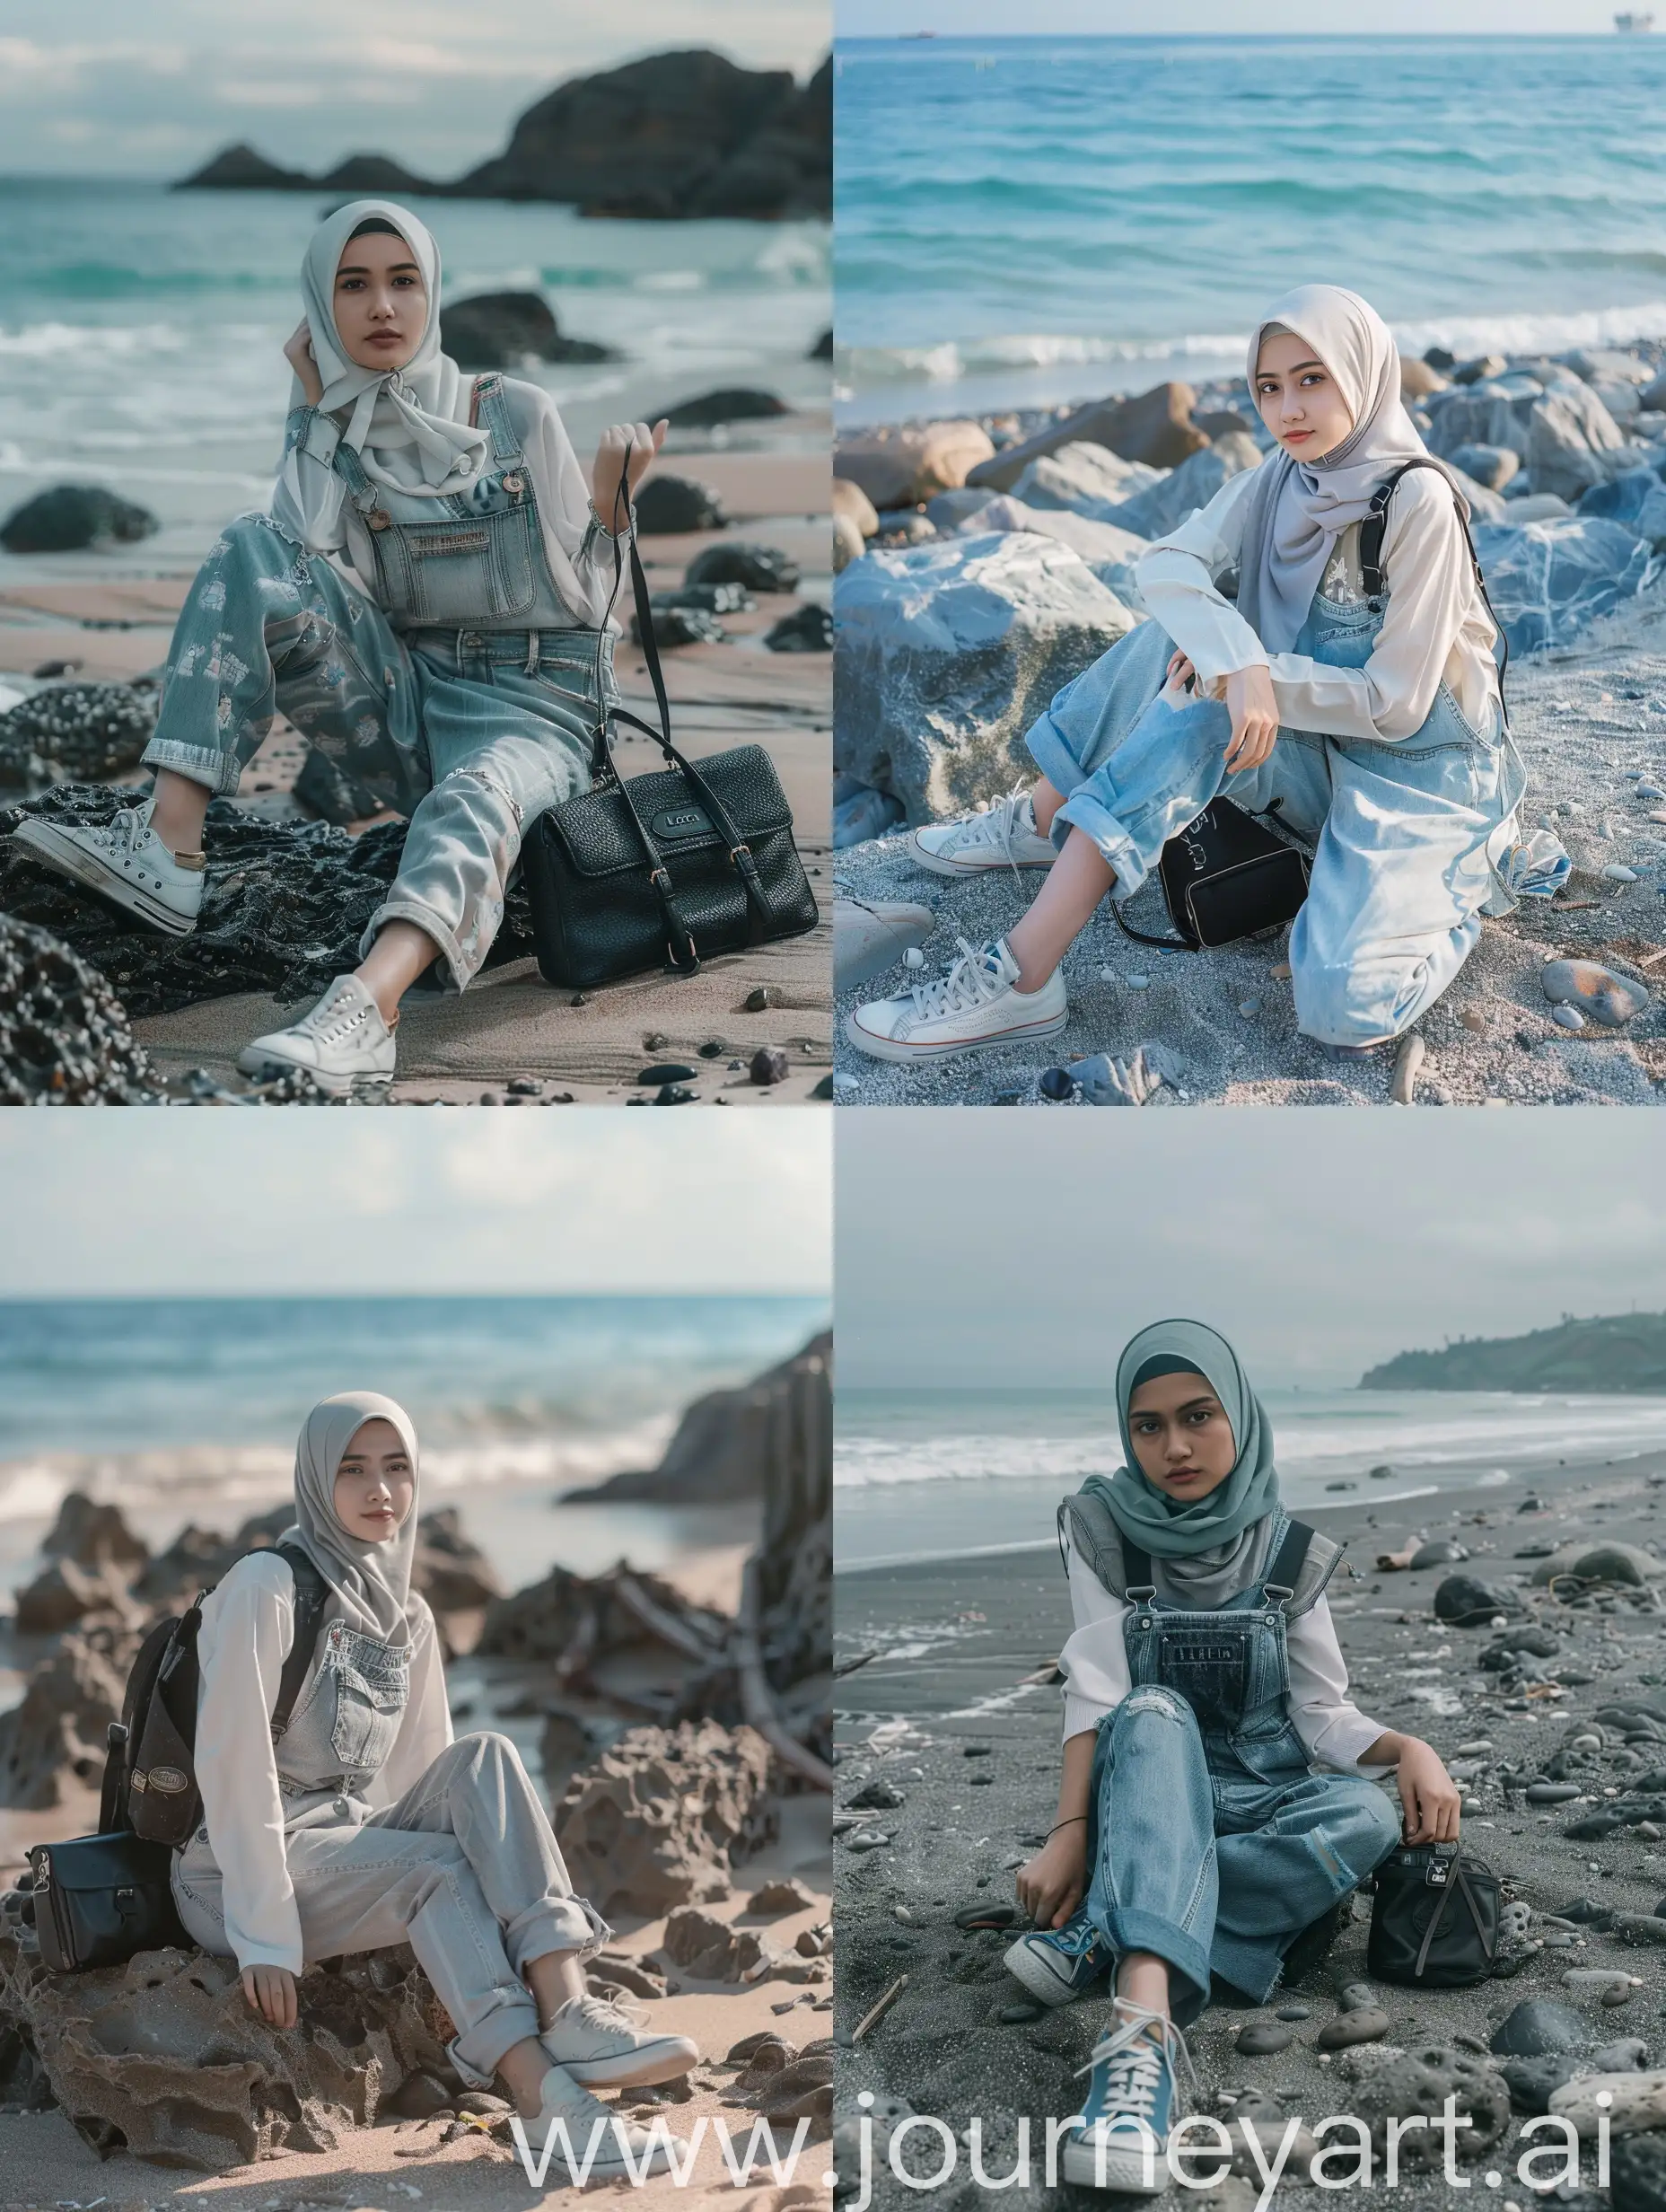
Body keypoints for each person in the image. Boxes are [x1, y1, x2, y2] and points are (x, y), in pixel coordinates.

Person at [12, 199, 667, 1093]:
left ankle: (368, 1007)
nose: (382, 308)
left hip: (536, 716)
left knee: (473, 793)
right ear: (323, 307)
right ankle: (169, 850)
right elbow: (293, 567)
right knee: (248, 540)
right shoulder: (339, 434)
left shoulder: (517, 414)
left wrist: (611, 509)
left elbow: (597, 614)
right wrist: (317, 421)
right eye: (351, 286)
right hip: (404, 709)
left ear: (432, 293)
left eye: (404, 282)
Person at [846, 284, 1539, 1070]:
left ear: (1364, 372)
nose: (1289, 408)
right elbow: (1168, 562)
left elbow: (1399, 705)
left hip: (1418, 778)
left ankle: (1472, 879)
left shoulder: (1417, 502)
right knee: (1180, 652)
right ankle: (1031, 923)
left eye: (1313, 378)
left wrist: (1253, 676)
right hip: (1318, 757)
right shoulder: (1281, 481)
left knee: (1344, 1010)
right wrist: (1236, 661)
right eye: (1269, 387)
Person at [171, 1390, 696, 2179]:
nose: (379, 1490)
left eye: (396, 1468)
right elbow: (232, 1764)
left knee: (485, 1757)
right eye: (352, 1469)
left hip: (338, 1844)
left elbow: (425, 1779)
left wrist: (462, 1932)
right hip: (230, 1871)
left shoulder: (407, 1614)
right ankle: (546, 2102)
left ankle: (567, 2008)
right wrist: (264, 1935)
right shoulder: (264, 1587)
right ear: (316, 1478)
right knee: (435, 1872)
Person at [1011, 1321, 1459, 2192]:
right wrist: (1069, 1829)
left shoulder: (1288, 1550)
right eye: (1147, 1425)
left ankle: (1110, 1925)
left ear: (1239, 1418)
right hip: (1144, 1790)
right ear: (1125, 1431)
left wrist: (1410, 1746)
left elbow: (1320, 1715)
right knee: (1147, 1708)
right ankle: (1139, 2035)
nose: (1173, 1445)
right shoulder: (1104, 1530)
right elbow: (1095, 1690)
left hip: (1259, 1799)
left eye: (1197, 1415)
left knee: (1365, 1812)